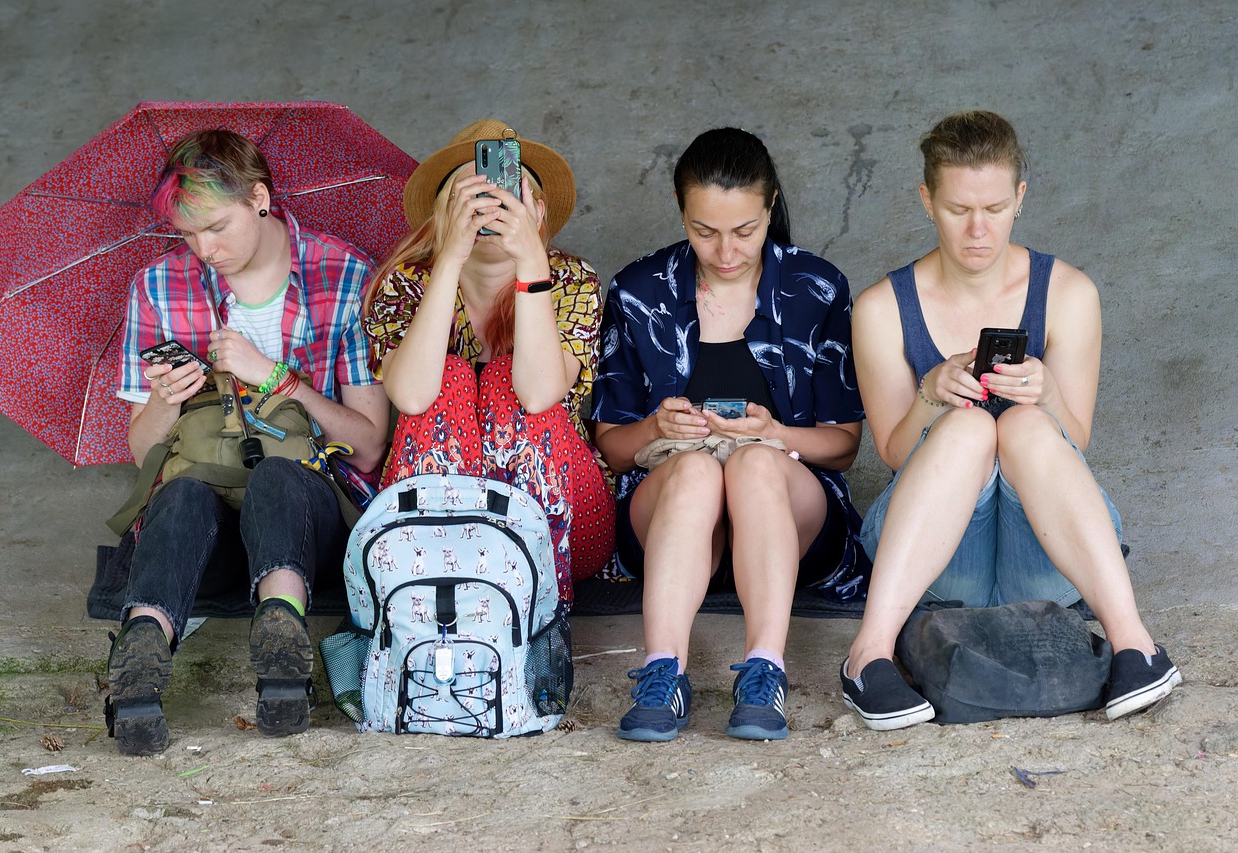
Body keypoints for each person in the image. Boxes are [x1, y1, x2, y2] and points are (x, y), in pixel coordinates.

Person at [841, 110, 1181, 731]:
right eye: (957, 209)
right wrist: (930, 393)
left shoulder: (1069, 292)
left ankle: (1136, 646)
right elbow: (893, 453)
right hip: (936, 556)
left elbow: (1073, 440)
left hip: (1045, 550)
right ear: (925, 200)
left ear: (1020, 198)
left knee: (1022, 427)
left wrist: (1046, 391)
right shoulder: (881, 307)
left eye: (995, 209)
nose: (977, 230)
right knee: (970, 428)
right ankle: (869, 654)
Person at [106, 129, 389, 755]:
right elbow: (141, 455)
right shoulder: (158, 286)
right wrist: (164, 398)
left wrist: (281, 380)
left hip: (305, 509)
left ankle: (280, 640)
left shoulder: (342, 274)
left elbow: (368, 448)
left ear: (260, 198)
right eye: (187, 233)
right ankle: (140, 658)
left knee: (278, 480)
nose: (205, 249)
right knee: (178, 494)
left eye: (217, 227)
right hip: (207, 510)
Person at [591, 128, 868, 742]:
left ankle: (765, 669)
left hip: (788, 521)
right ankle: (663, 670)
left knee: (753, 463)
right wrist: (654, 427)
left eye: (745, 230)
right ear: (680, 210)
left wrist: (775, 431)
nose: (725, 252)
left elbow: (843, 446)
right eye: (704, 230)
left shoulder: (815, 290)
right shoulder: (640, 291)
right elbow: (612, 450)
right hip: (672, 522)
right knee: (695, 469)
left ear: (771, 207)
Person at [361, 119, 615, 605]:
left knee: (506, 380)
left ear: (537, 210)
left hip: (564, 525)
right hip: (436, 536)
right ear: (444, 214)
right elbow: (412, 396)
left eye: (506, 196)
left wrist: (531, 266)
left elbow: (539, 394)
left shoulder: (571, 279)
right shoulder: (403, 285)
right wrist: (449, 258)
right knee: (449, 378)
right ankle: (439, 607)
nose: (492, 211)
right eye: (472, 199)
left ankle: (538, 613)